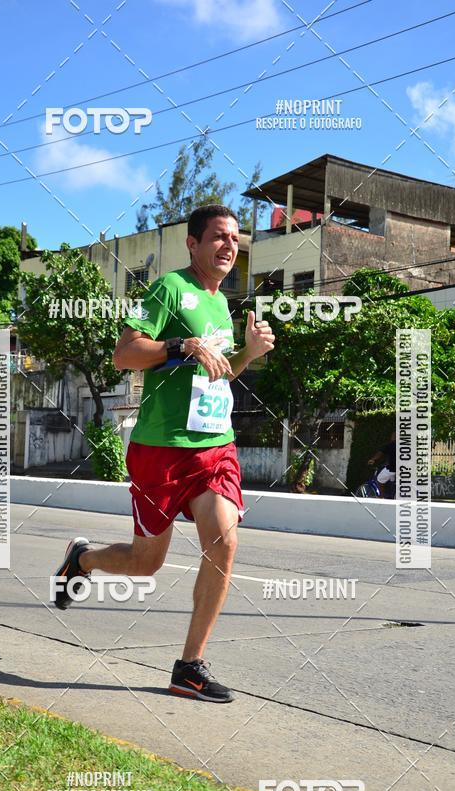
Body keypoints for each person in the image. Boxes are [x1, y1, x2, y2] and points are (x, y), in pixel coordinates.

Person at [52, 204, 275, 702]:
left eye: (235, 239)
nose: (228, 245)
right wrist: (183, 345)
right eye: (218, 236)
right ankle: (82, 560)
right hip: (162, 451)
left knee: (225, 543)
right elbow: (125, 353)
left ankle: (188, 668)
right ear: (192, 244)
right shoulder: (169, 289)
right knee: (145, 563)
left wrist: (248, 355)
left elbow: (222, 373)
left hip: (215, 447)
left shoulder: (222, 304)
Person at [368, 431, 397, 498]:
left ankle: (382, 497)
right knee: (392, 480)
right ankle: (392, 493)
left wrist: (373, 459)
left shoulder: (391, 444)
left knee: (380, 479)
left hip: (393, 468)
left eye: (392, 436)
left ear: (393, 437)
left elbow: (380, 453)